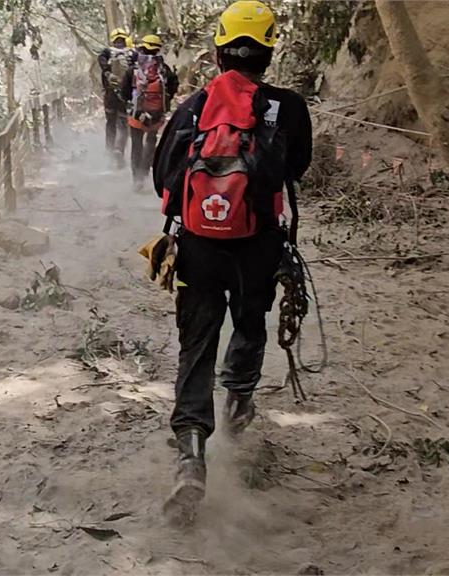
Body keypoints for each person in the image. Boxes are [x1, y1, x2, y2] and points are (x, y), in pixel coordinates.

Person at [148, 0, 312, 517]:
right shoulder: (287, 106)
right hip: (258, 243)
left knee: (196, 344)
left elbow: (162, 176)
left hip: (197, 245)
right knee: (249, 322)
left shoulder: (194, 106)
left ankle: (192, 454)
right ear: (268, 51)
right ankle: (238, 407)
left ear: (219, 51)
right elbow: (299, 166)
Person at [120, 34, 178, 183]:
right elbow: (173, 86)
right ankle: (145, 172)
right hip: (156, 112)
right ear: (158, 49)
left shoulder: (133, 69)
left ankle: (136, 179)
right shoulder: (164, 69)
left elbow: (124, 91)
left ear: (142, 47)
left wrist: (129, 102)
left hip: (136, 113)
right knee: (151, 142)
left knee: (137, 144)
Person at [98, 28, 133, 163]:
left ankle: (109, 150)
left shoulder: (106, 53)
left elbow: (102, 65)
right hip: (126, 95)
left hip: (110, 94)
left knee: (110, 122)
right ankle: (119, 150)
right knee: (123, 123)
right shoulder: (132, 54)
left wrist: (107, 72)